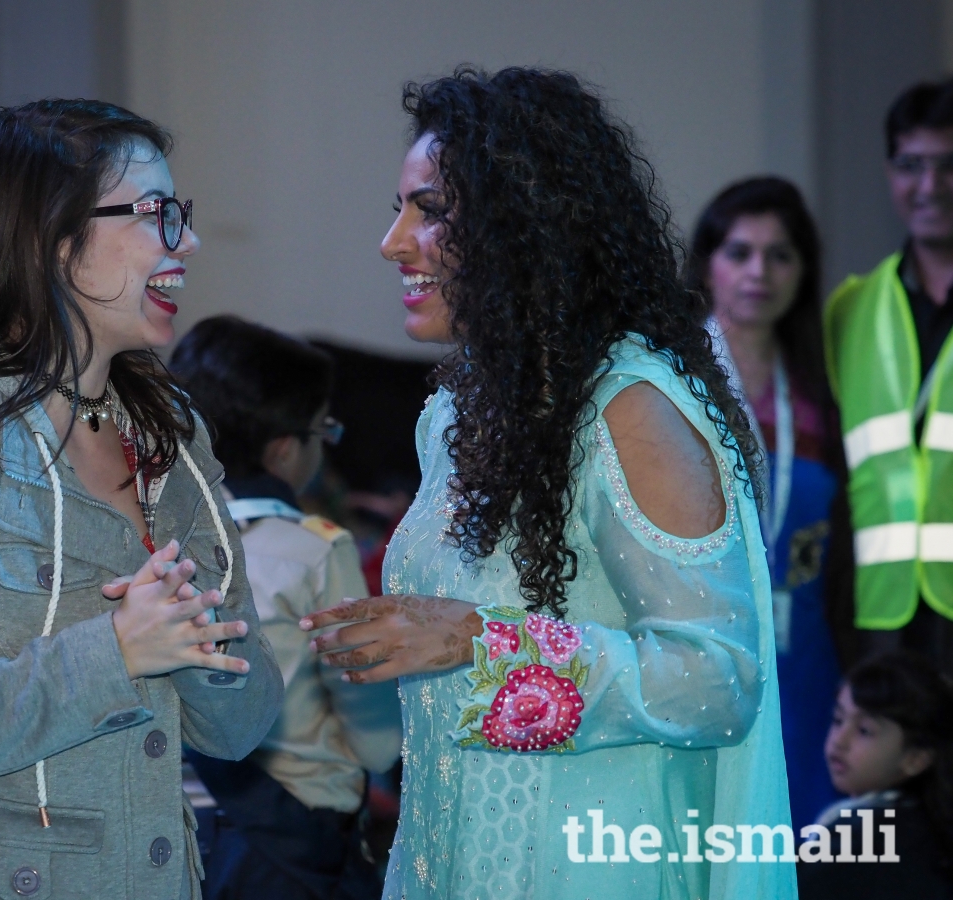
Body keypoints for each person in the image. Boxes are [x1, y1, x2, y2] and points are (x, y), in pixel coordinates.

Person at [300, 67, 795, 899]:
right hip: (452, 863)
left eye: (430, 211)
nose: (393, 242)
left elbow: (720, 678)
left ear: (523, 227)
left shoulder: (629, 407)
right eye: (399, 209)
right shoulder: (459, 412)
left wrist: (481, 645)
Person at [0, 100, 283, 900]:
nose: (188, 241)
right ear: (50, 239)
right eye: (154, 213)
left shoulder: (174, 439)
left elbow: (243, 729)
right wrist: (116, 652)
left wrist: (198, 644)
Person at [169, 315, 402, 900]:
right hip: (291, 844)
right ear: (282, 450)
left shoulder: (153, 540)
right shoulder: (314, 549)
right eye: (323, 427)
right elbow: (376, 741)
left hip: (176, 832)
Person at [687, 177, 845, 830]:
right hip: (697, 649)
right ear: (706, 265)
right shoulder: (667, 378)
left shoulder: (823, 386)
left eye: (780, 255)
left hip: (804, 658)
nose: (760, 272)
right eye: (740, 252)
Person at [824, 77, 953, 673]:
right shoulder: (850, 311)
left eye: (950, 165)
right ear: (888, 172)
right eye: (911, 165)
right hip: (881, 625)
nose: (931, 186)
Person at [798, 651, 953, 898]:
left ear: (915, 759)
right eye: (838, 719)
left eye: (864, 730)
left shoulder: (870, 844)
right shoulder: (921, 825)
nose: (840, 741)